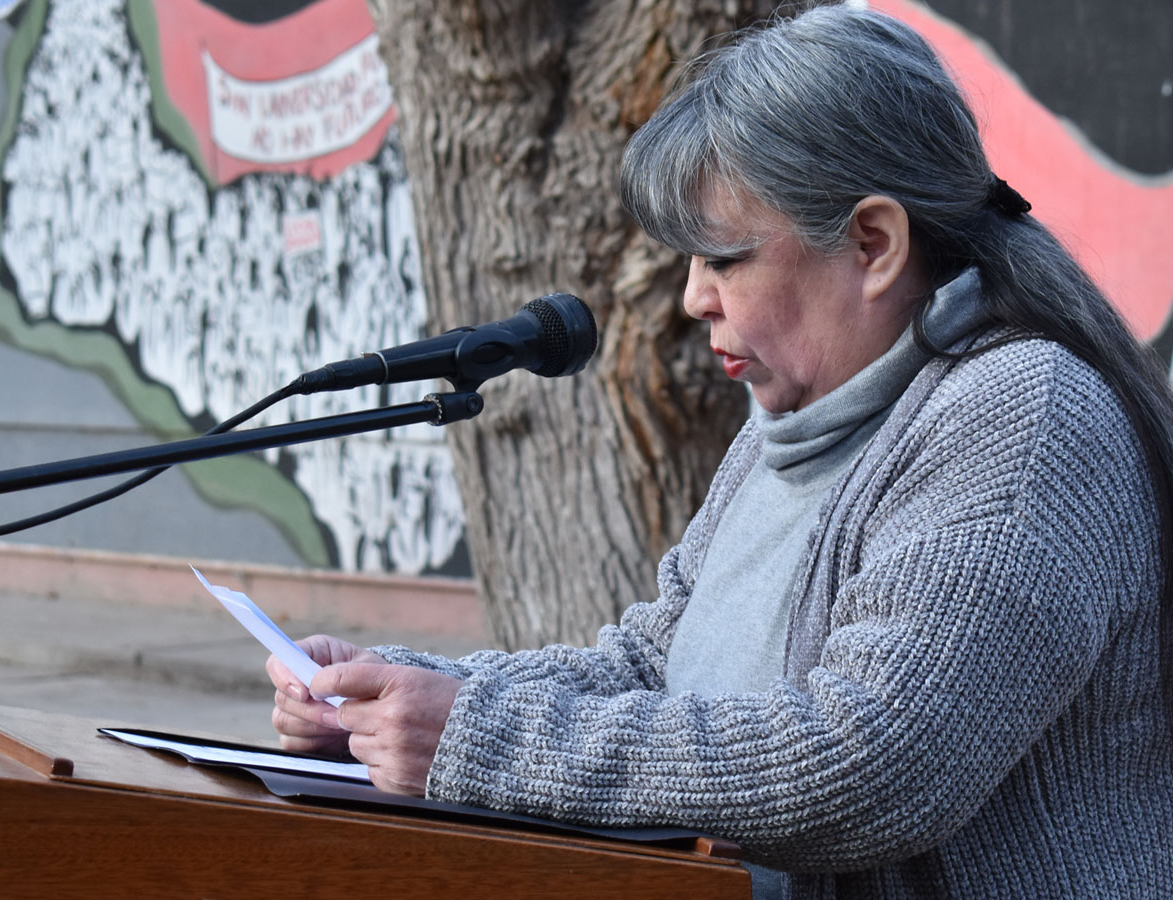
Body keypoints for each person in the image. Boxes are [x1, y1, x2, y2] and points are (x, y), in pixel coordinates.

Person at [265, 5, 1173, 897]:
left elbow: (871, 764)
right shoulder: (799, 418)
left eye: (724, 258)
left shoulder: (1025, 418)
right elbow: (657, 667)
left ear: (874, 243)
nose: (694, 298)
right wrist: (393, 692)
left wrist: (476, 738)